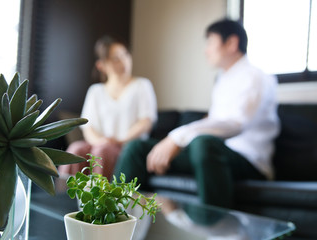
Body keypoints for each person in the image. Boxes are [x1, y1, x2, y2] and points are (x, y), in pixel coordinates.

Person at [114, 19, 280, 209]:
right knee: (137, 148)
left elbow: (236, 122)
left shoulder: (255, 77)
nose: (206, 50)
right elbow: (216, 120)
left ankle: (216, 227)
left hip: (248, 162)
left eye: (210, 42)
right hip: (210, 156)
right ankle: (115, 217)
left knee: (204, 142)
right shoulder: (223, 79)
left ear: (232, 43)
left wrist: (176, 138)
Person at [58, 36, 157, 180]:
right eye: (116, 58)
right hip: (100, 144)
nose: (123, 61)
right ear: (101, 65)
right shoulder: (95, 91)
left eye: (125, 55)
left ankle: (101, 201)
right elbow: (88, 127)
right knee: (76, 149)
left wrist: (118, 140)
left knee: (102, 152)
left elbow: (145, 122)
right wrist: (100, 141)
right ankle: (63, 199)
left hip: (126, 147)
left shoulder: (142, 85)